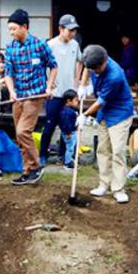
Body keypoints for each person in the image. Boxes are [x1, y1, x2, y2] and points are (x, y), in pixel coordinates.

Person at [4, 9, 58, 186]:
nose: (11, 32)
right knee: (19, 137)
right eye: (9, 29)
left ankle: (37, 165)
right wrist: (11, 91)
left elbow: (53, 66)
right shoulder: (11, 48)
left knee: (23, 131)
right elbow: (8, 73)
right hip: (18, 97)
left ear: (24, 27)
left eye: (13, 29)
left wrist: (49, 87)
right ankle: (27, 171)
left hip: (35, 95)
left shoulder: (39, 45)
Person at [78, 45, 134, 204]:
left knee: (117, 151)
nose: (95, 71)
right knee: (103, 149)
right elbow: (86, 69)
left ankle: (118, 189)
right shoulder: (92, 62)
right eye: (92, 69)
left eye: (97, 69)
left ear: (104, 61)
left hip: (119, 113)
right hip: (104, 113)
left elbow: (100, 102)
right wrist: (83, 85)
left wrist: (84, 115)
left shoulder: (114, 75)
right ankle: (104, 184)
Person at [39, 14, 83, 165]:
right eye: (69, 30)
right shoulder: (50, 45)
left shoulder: (75, 45)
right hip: (54, 94)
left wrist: (77, 81)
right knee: (50, 125)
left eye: (74, 30)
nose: (72, 33)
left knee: (68, 126)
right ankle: (43, 155)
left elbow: (81, 61)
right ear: (60, 29)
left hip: (69, 94)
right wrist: (47, 83)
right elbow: (41, 66)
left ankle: (65, 156)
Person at [58, 89, 80, 169]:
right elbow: (66, 124)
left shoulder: (71, 110)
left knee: (70, 146)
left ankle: (67, 158)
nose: (77, 102)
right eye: (76, 100)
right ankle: (68, 162)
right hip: (69, 133)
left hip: (71, 131)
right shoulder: (67, 113)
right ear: (69, 101)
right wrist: (68, 133)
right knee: (70, 147)